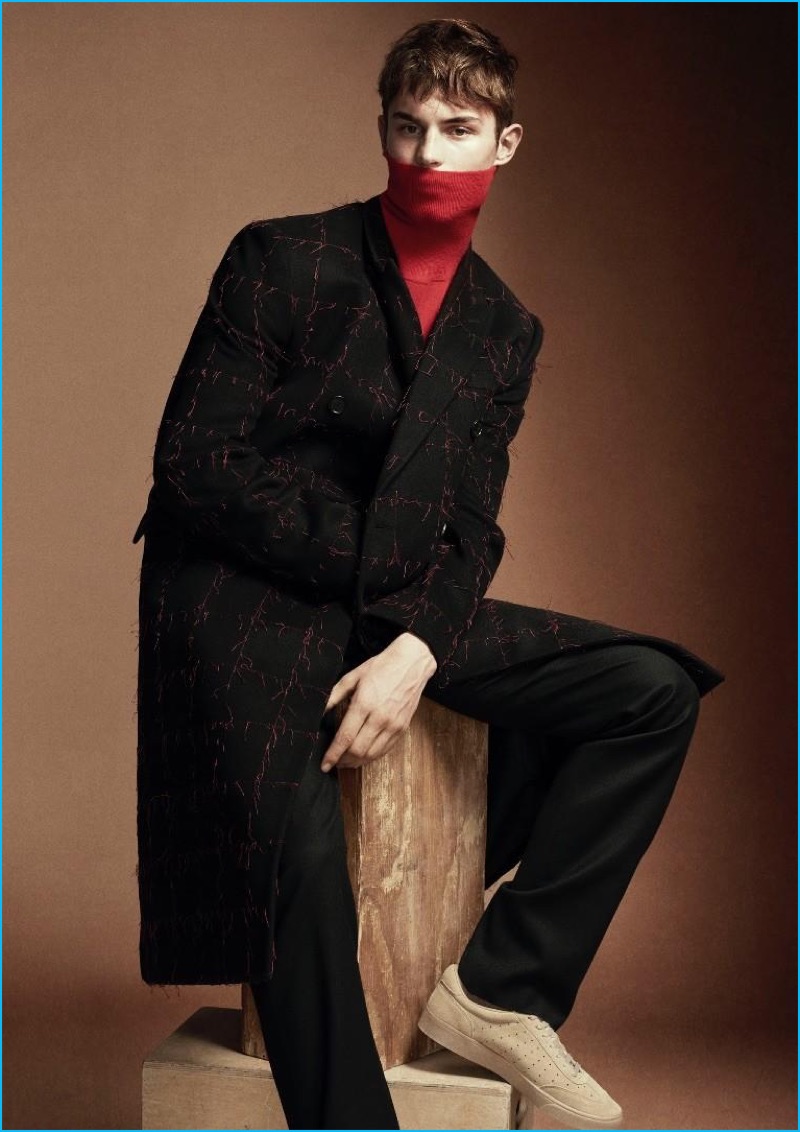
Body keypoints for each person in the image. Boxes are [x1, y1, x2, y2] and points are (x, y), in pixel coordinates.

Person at [134, 18, 724, 1131]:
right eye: (408, 128)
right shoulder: (281, 256)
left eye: (456, 128)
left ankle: (502, 988)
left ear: (505, 143)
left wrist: (419, 644)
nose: (428, 153)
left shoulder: (504, 329)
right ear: (382, 133)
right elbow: (196, 465)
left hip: (394, 608)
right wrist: (379, 568)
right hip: (241, 597)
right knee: (296, 849)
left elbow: (472, 529)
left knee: (649, 691)